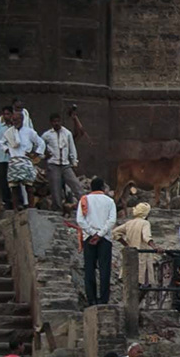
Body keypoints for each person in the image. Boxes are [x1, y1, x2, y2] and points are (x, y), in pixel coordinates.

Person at [75, 177, 117, 305]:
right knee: (105, 269)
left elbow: (80, 220)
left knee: (89, 269)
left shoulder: (84, 200)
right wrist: (100, 234)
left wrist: (92, 233)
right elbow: (112, 220)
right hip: (105, 239)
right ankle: (103, 299)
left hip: (89, 238)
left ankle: (91, 299)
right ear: (103, 188)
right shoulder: (110, 201)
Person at [41, 113, 83, 211]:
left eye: (58, 121)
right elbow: (40, 147)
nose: (56, 123)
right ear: (51, 123)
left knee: (75, 184)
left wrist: (74, 161)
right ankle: (57, 208)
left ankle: (84, 204)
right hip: (53, 164)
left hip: (65, 164)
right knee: (55, 187)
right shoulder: (46, 135)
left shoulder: (67, 133)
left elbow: (71, 148)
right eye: (54, 121)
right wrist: (44, 156)